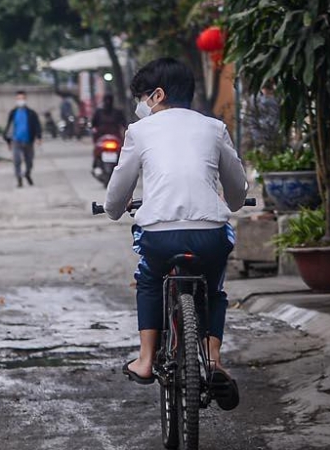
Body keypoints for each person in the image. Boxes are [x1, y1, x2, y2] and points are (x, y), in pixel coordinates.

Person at [103, 57, 249, 407]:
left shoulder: (139, 132)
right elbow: (237, 191)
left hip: (159, 235)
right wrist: (230, 199)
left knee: (150, 280)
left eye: (142, 97)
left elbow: (117, 191)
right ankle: (214, 361)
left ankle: (145, 359)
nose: (140, 106)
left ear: (157, 95)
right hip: (209, 233)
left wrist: (115, 208)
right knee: (213, 289)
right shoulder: (214, 128)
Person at [1, 90, 39, 186]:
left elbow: (37, 125)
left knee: (29, 161)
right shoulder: (13, 113)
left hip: (28, 140)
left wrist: (39, 137)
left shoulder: (31, 113)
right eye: (18, 99)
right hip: (16, 140)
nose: (20, 100)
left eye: (22, 98)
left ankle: (27, 173)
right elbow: (9, 127)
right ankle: (19, 178)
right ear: (16, 100)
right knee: (17, 160)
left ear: (25, 99)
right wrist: (8, 141)